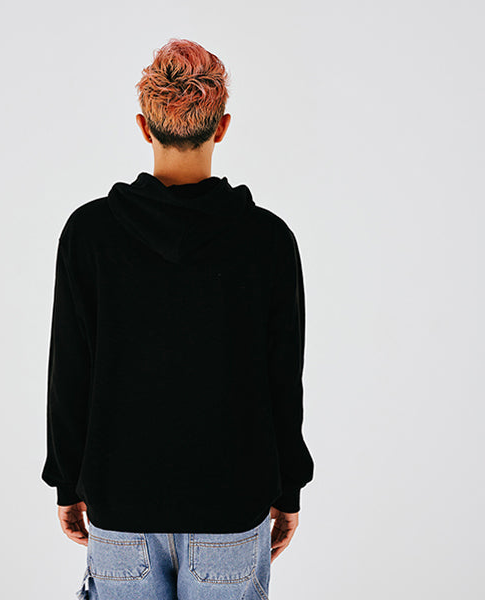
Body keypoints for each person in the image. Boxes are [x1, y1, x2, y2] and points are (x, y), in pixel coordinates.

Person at [41, 37, 314, 600]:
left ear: (145, 128)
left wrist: (67, 480)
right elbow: (283, 377)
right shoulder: (268, 240)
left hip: (121, 503)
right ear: (223, 126)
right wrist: (288, 487)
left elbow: (70, 370)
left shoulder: (90, 234)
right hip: (231, 504)